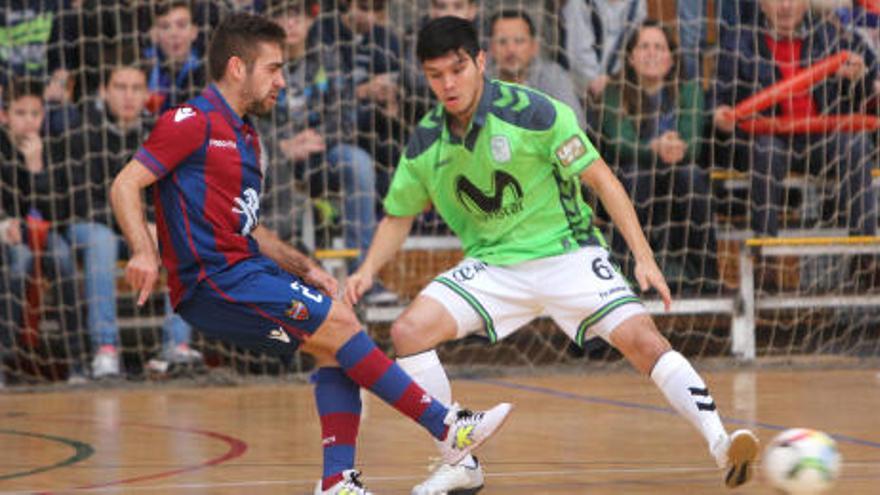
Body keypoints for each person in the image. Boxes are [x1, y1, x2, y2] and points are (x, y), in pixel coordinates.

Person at [345, 16, 758, 494]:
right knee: (408, 331)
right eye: (436, 75)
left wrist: (643, 256)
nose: (448, 84)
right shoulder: (426, 139)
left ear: (481, 62)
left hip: (568, 253)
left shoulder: (535, 113)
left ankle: (722, 444)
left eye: (457, 70)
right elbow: (398, 215)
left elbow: (602, 178)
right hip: (495, 264)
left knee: (641, 338)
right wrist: (366, 270)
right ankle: (460, 461)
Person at [109, 13, 512, 495]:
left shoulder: (246, 136)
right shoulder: (191, 121)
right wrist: (144, 252)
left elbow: (249, 228)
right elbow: (126, 183)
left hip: (245, 270)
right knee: (340, 329)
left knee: (336, 339)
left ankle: (337, 481)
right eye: (273, 69)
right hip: (213, 281)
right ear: (238, 68)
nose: (282, 80)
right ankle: (446, 425)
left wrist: (307, 267)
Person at [75, 55, 203, 378]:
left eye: (136, 88)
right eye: (120, 87)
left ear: (147, 93)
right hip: (91, 227)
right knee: (102, 242)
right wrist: (136, 225)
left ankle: (176, 347)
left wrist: (153, 226)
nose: (128, 96)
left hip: (141, 230)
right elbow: (80, 203)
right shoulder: (82, 132)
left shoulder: (158, 133)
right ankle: (105, 350)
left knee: (180, 238)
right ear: (104, 90)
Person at [712, 0, 878, 237]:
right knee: (766, 151)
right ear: (760, 4)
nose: (786, 6)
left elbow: (868, 95)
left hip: (823, 141)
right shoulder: (738, 42)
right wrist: (720, 115)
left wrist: (860, 78)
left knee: (856, 143)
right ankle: (764, 257)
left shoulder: (833, 36)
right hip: (771, 143)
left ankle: (867, 254)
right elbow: (718, 99)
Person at [593, 21, 720, 294]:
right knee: (637, 175)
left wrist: (675, 147)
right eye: (644, 46)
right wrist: (655, 148)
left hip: (678, 179)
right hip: (631, 182)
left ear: (672, 58)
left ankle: (704, 276)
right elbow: (618, 144)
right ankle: (628, 273)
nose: (652, 53)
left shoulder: (690, 91)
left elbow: (693, 145)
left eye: (659, 47)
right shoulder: (614, 92)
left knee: (690, 175)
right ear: (630, 56)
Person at [0, 78, 86, 382]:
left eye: (35, 113)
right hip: (7, 232)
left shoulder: (53, 147)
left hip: (44, 231)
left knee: (63, 260)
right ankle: (7, 358)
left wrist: (36, 168)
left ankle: (76, 359)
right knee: (19, 261)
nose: (29, 121)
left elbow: (59, 211)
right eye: (20, 113)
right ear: (5, 115)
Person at [487, 8, 586, 129]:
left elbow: (575, 126)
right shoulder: (480, 80)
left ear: (534, 47)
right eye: (502, 42)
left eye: (519, 41)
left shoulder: (553, 77)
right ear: (491, 48)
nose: (511, 50)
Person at [562, 0, 646, 101]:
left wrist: (614, 80)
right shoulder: (578, 4)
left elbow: (634, 44)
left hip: (620, 86)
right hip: (580, 89)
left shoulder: (638, 5)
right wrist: (593, 79)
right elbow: (577, 51)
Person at [144, 1, 208, 114]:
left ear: (194, 32)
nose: (173, 33)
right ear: (154, 34)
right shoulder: (143, 66)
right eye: (165, 27)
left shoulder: (206, 69)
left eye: (181, 25)